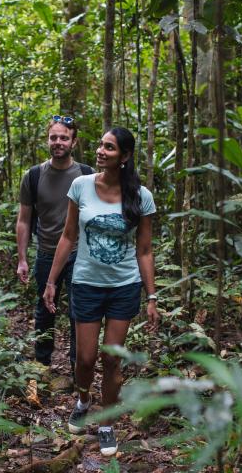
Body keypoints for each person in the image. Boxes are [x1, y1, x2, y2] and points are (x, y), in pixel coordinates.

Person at [42, 126, 158, 456]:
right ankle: (83, 400)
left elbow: (145, 250)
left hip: (124, 287)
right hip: (86, 284)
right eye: (100, 145)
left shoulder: (141, 196)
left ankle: (106, 425)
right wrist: (51, 281)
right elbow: (68, 236)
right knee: (85, 358)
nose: (100, 151)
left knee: (111, 359)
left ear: (124, 156)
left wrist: (152, 296)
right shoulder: (80, 186)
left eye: (109, 147)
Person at [16, 115, 93, 376]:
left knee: (78, 310)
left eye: (64, 138)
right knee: (44, 309)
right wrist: (22, 259)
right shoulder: (34, 175)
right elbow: (24, 220)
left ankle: (77, 368)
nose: (58, 142)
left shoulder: (87, 175)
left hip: (80, 254)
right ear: (47, 140)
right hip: (47, 252)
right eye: (54, 137)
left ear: (74, 142)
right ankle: (42, 365)